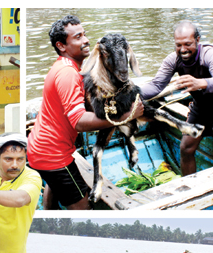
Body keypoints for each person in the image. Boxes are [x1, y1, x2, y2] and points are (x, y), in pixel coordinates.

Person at [26, 15, 144, 210]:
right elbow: (79, 121)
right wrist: (125, 117)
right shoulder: (68, 74)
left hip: (39, 149)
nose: (86, 40)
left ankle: (49, 211)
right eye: (78, 37)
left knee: (54, 185)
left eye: (85, 34)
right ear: (61, 46)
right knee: (83, 207)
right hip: (53, 156)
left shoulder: (64, 67)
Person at [140, 21, 213, 176]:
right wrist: (130, 94)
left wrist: (200, 83)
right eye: (178, 45)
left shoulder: (209, 54)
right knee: (186, 147)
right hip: (202, 110)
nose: (183, 50)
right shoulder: (173, 60)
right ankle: (189, 187)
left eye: (188, 44)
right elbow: (156, 86)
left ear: (198, 40)